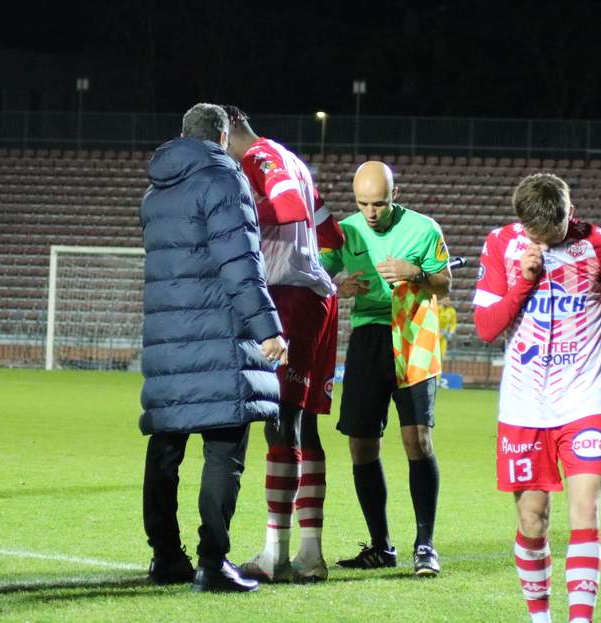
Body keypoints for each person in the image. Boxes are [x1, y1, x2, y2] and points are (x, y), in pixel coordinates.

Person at [472, 173, 601, 623]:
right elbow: (484, 328)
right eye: (541, 231)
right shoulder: (502, 244)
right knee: (533, 521)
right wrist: (522, 279)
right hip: (524, 407)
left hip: (584, 397)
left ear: (570, 210)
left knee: (585, 509)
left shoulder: (600, 245)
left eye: (559, 226)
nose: (550, 237)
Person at [138, 102, 288, 593]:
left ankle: (165, 557)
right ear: (223, 139)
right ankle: (212, 562)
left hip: (167, 343)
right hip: (219, 339)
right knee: (224, 451)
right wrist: (268, 328)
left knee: (166, 448)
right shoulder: (224, 180)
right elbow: (241, 262)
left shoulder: (155, 192)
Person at [221, 105, 344, 584]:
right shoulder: (291, 159)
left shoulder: (261, 159)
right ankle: (310, 552)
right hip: (314, 297)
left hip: (289, 300)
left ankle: (277, 552)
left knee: (282, 423)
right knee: (303, 427)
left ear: (229, 131)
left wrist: (241, 216)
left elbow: (289, 211)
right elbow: (330, 230)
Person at [321, 161, 452, 577]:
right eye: (363, 204)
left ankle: (425, 545)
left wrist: (415, 273)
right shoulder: (345, 231)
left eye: (379, 203)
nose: (371, 212)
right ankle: (380, 545)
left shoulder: (424, 229)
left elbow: (445, 282)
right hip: (369, 337)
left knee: (418, 440)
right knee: (361, 444)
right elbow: (316, 274)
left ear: (395, 195)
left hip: (414, 335)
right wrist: (338, 286)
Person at [438, 293, 457, 371]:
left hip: (444, 337)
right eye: (445, 300)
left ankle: (438, 379)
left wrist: (451, 332)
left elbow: (453, 323)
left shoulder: (452, 311)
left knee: (441, 357)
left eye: (448, 300)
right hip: (435, 336)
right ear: (441, 300)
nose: (447, 302)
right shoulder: (437, 308)